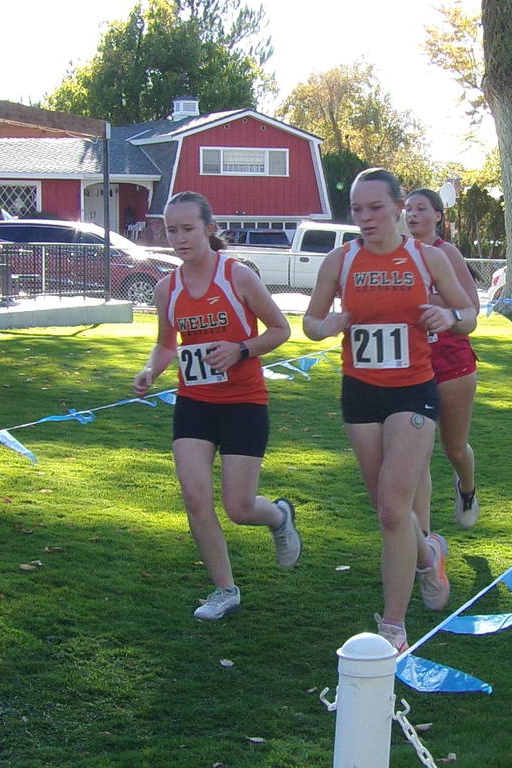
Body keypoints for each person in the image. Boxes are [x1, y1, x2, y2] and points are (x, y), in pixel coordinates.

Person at [303, 168, 477, 653]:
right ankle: (428, 552)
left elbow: (470, 316)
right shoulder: (341, 260)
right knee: (386, 509)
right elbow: (310, 322)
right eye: (357, 209)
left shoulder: (428, 258)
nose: (364, 218)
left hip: (413, 390)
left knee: (395, 506)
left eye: (374, 207)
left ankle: (393, 627)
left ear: (399, 207)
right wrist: (328, 324)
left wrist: (448, 316)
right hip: (360, 392)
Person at [132, 191, 301, 620]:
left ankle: (278, 515)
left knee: (239, 508)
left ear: (209, 229)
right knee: (194, 498)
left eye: (188, 229)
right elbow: (166, 345)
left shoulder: (237, 276)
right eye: (172, 230)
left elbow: (281, 329)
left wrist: (241, 349)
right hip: (194, 402)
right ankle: (224, 589)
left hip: (244, 402)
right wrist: (152, 370)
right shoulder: (165, 289)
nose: (180, 238)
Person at [404, 188, 481, 530]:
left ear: (437, 215)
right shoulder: (397, 254)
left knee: (454, 449)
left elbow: (472, 311)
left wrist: (436, 304)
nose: (412, 215)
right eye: (407, 209)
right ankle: (423, 538)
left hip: (452, 363)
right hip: (410, 366)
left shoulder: (445, 252)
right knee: (416, 456)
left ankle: (467, 489)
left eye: (421, 208)